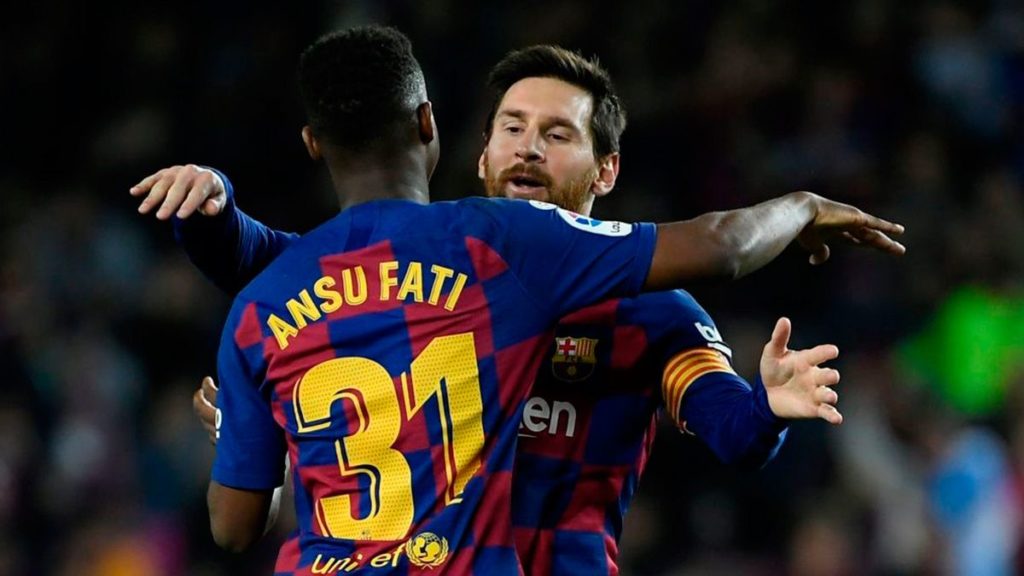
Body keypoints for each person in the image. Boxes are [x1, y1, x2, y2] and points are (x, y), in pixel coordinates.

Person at [133, 31, 903, 575]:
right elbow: (282, 263)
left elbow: (734, 431)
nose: (529, 147)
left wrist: (769, 406)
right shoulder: (459, 259)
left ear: (606, 171)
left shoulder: (653, 311)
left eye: (558, 134)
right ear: (476, 151)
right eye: (512, 127)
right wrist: (212, 209)